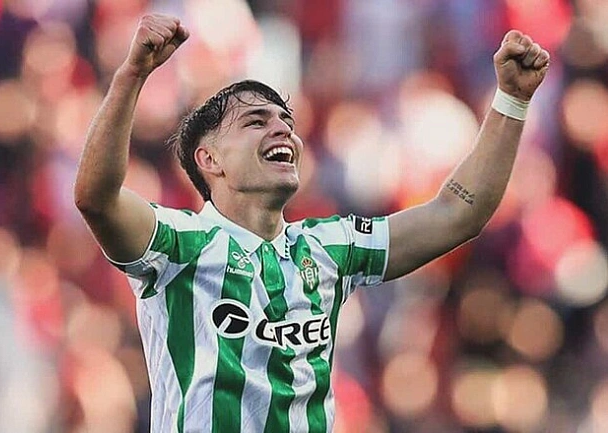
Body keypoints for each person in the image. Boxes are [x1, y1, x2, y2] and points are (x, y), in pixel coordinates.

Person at [74, 14, 549, 433]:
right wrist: (132, 75)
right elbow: (96, 199)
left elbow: (458, 214)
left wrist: (512, 100)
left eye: (286, 121)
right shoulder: (181, 244)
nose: (283, 129)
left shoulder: (328, 249)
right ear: (210, 159)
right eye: (256, 122)